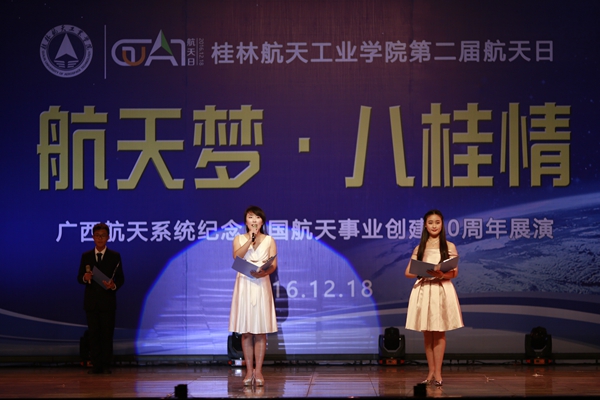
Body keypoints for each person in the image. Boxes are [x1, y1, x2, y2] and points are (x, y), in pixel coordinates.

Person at [405, 210, 463, 387]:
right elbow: (408, 272)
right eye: (430, 222)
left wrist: (441, 273)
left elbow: (454, 272)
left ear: (442, 224)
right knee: (427, 333)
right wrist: (423, 271)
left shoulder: (449, 246)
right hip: (424, 289)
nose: (434, 226)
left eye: (437, 222)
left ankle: (438, 373)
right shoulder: (419, 248)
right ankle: (430, 371)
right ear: (425, 225)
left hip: (440, 289)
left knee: (439, 332)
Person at [229, 206, 278, 386]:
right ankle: (249, 371)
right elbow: (237, 257)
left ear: (262, 221)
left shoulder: (269, 240)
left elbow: (273, 264)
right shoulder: (239, 239)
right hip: (244, 284)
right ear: (246, 221)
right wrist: (250, 239)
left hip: (261, 284)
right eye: (251, 217)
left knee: (260, 331)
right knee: (247, 331)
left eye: (257, 217)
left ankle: (258, 371)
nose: (254, 220)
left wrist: (265, 272)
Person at [77, 222, 125, 374]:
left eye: (103, 236)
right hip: (91, 302)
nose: (100, 238)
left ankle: (105, 364)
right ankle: (96, 365)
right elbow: (79, 277)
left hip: (107, 301)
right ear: (93, 237)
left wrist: (113, 285)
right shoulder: (86, 256)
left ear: (108, 237)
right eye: (97, 235)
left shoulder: (114, 256)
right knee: (94, 335)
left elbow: (121, 278)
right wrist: (85, 278)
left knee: (107, 334)